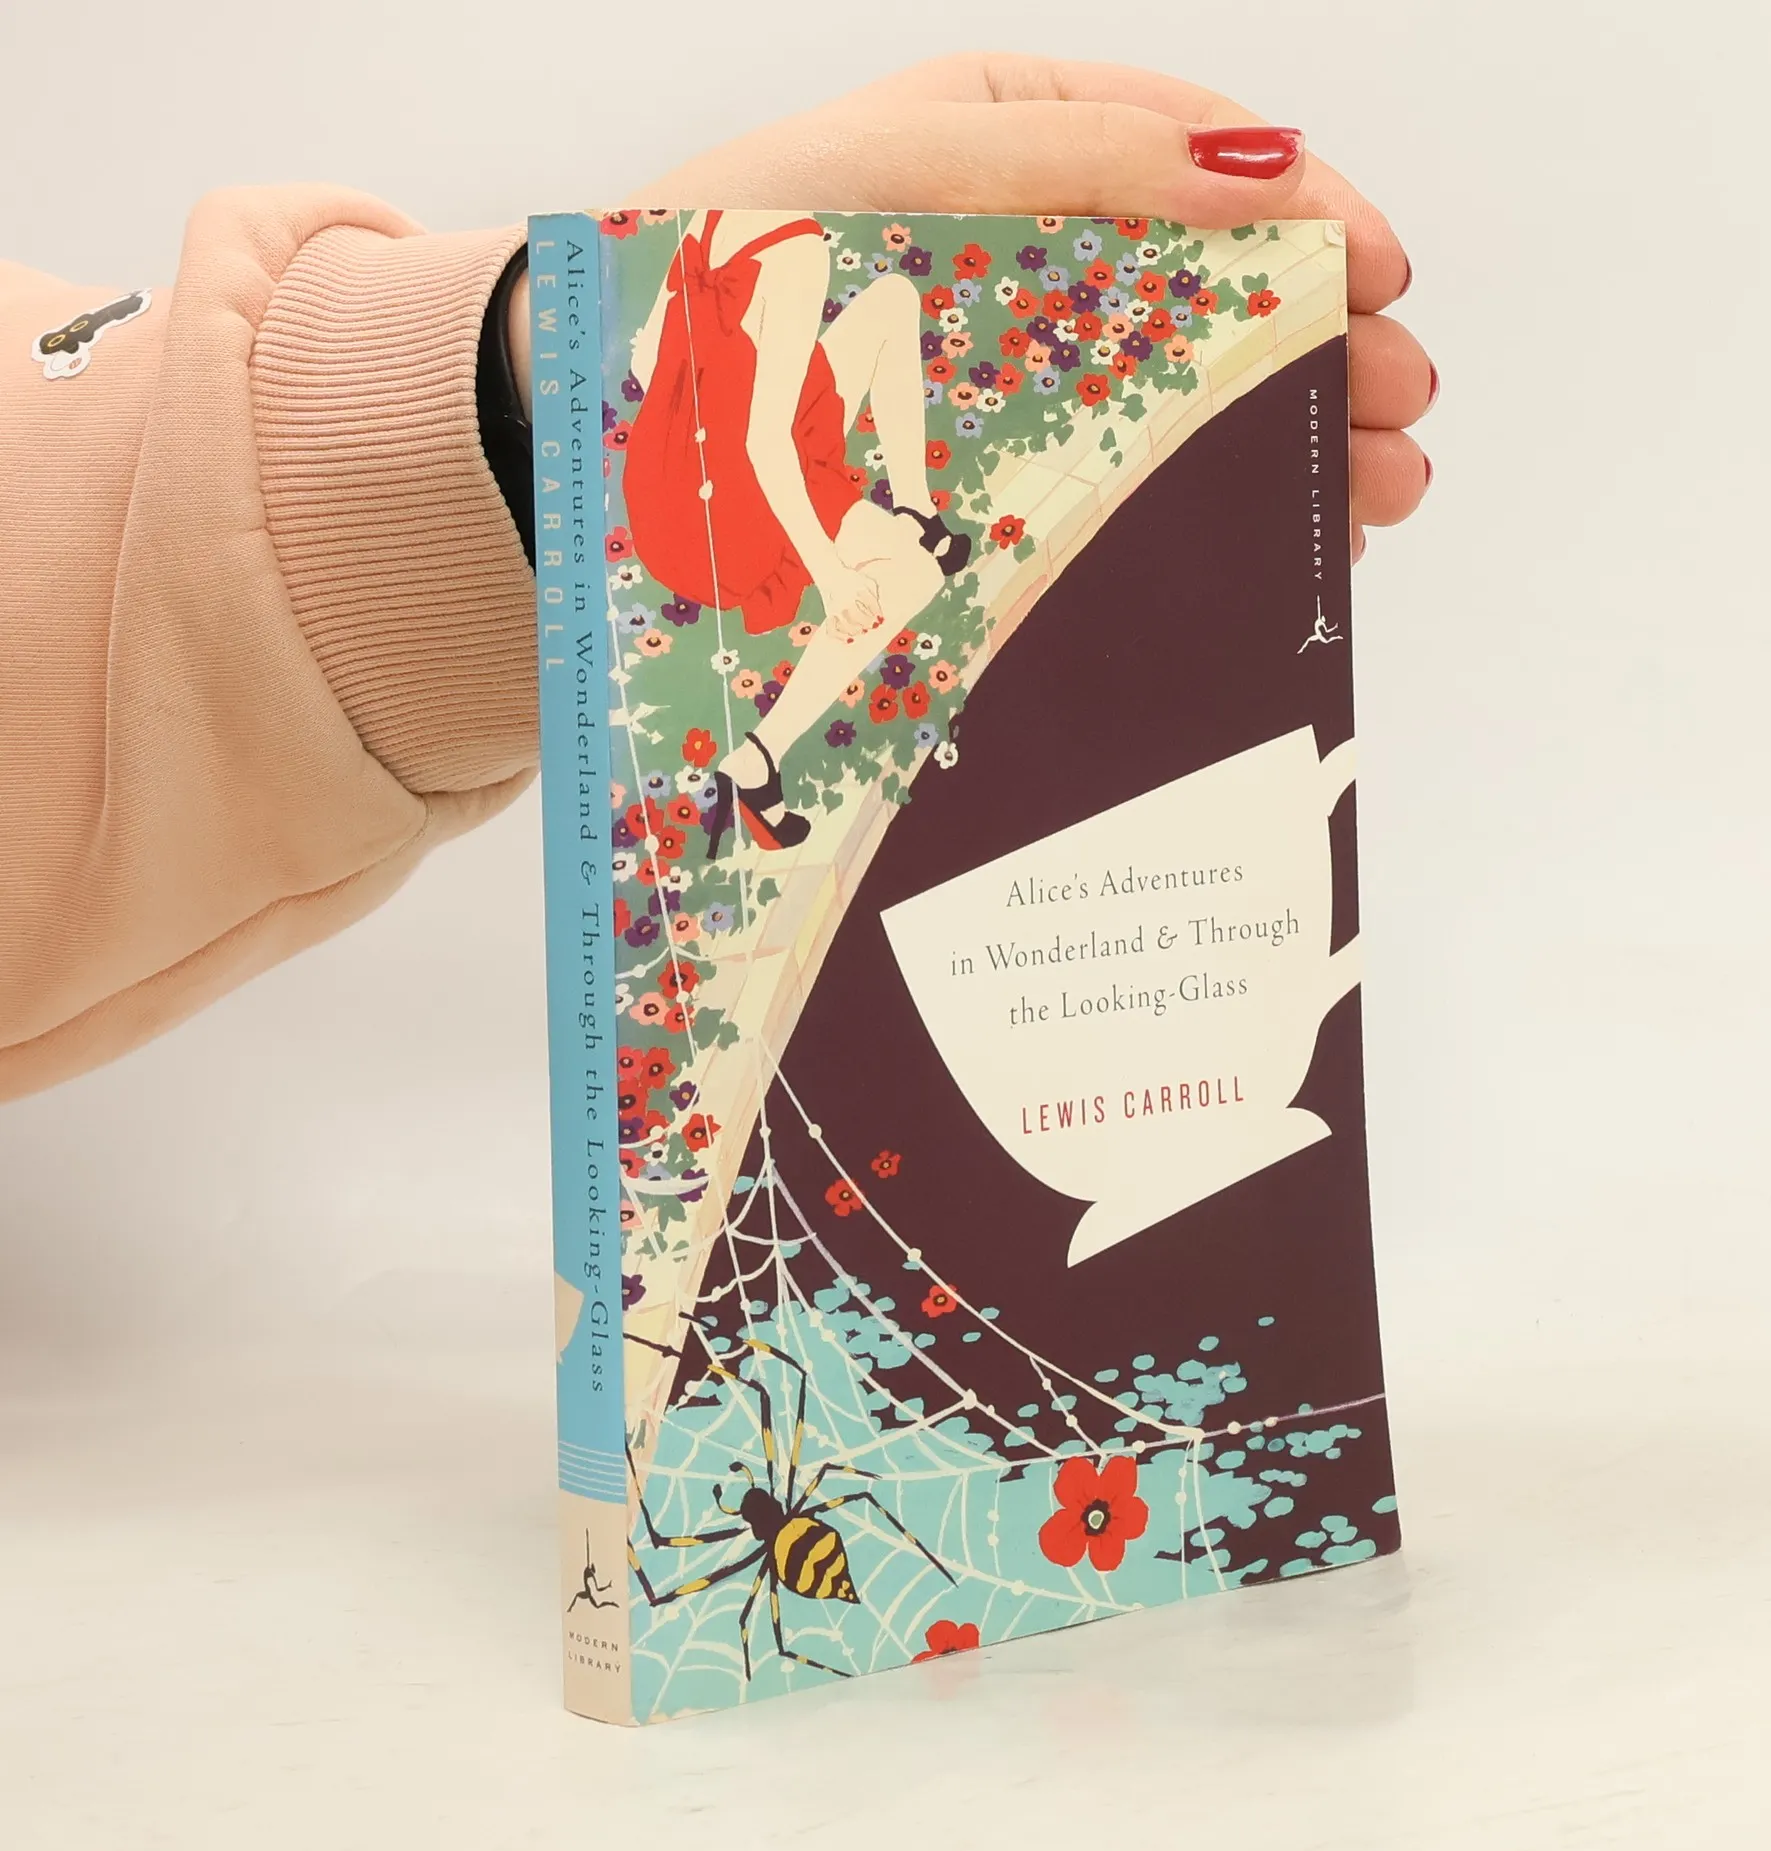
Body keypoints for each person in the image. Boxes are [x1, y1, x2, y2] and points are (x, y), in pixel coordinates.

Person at [0, 54, 1437, 1104]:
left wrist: (520, 387)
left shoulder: (833, 292)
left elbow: (835, 379)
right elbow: (745, 440)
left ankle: (788, 697)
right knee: (877, 588)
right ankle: (774, 725)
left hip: (757, 468)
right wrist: (647, 427)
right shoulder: (777, 288)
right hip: (719, 500)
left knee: (895, 493)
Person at [624, 209, 968, 850]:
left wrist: (726, 388)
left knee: (893, 298)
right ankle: (758, 759)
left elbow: (646, 361)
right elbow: (765, 442)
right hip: (729, 505)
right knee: (913, 575)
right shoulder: (801, 246)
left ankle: (917, 511)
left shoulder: (715, 212)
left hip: (664, 483)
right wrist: (832, 577)